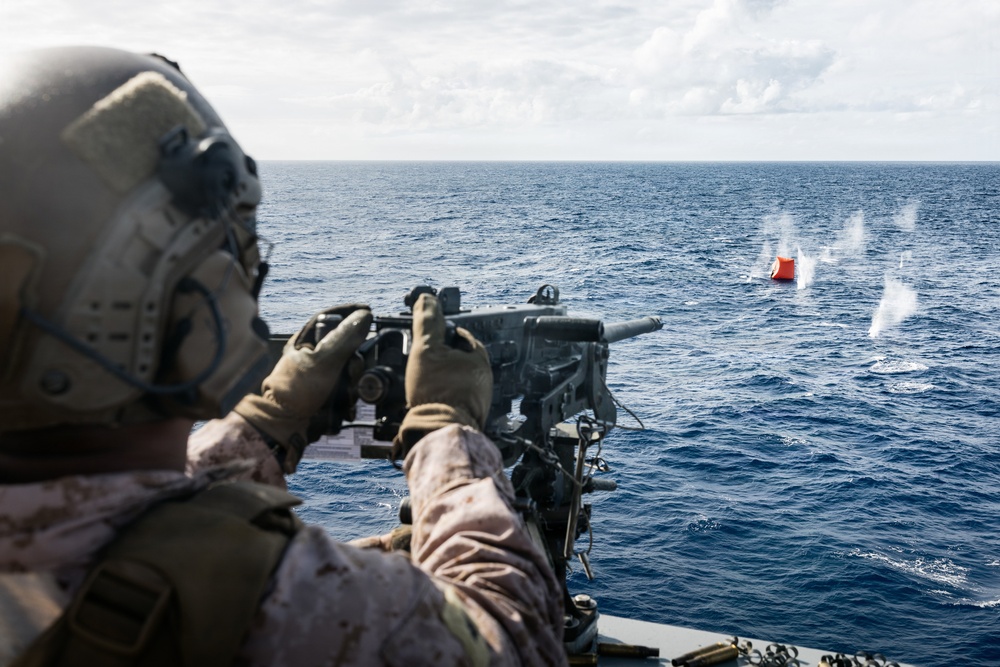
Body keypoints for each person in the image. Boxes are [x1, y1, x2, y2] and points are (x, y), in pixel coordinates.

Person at [0, 46, 566, 666]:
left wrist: (267, 421)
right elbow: (516, 639)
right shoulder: (277, 607)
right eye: (230, 251)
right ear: (182, 296)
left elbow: (100, 510)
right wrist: (446, 436)